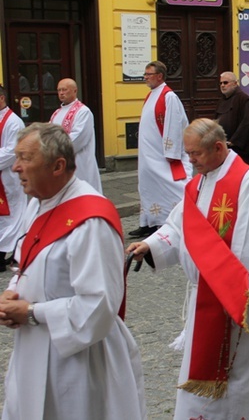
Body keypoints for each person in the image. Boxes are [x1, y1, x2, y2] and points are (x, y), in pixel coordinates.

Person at [127, 119, 249, 419]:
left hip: (233, 300)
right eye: (188, 153)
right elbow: (179, 227)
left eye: (195, 154)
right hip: (202, 300)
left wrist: (239, 295)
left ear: (218, 148)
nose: (190, 160)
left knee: (237, 376)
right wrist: (150, 246)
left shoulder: (247, 183)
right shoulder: (198, 183)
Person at [0, 123, 146, 419]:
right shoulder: (38, 204)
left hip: (79, 362)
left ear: (58, 166)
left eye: (25, 158)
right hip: (34, 347)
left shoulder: (92, 221)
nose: (15, 167)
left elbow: (99, 306)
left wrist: (31, 312)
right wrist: (12, 292)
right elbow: (28, 260)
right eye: (16, 157)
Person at [130, 60, 192, 238]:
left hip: (161, 155)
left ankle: (179, 217)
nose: (145, 78)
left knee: (171, 185)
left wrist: (171, 153)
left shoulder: (168, 96)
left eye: (148, 74)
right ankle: (149, 221)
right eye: (145, 74)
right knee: (148, 187)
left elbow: (173, 124)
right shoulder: (152, 95)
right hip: (148, 155)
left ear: (159, 76)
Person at [49, 78, 102, 193]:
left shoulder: (83, 112)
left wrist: (52, 148)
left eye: (64, 90)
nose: (61, 93)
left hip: (79, 162)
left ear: (74, 91)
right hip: (61, 161)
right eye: (59, 90)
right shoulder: (56, 113)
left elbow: (78, 138)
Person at [0, 86, 25, 272]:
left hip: (9, 176)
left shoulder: (14, 122)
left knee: (12, 215)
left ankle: (7, 254)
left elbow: (11, 151)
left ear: (2, 98)